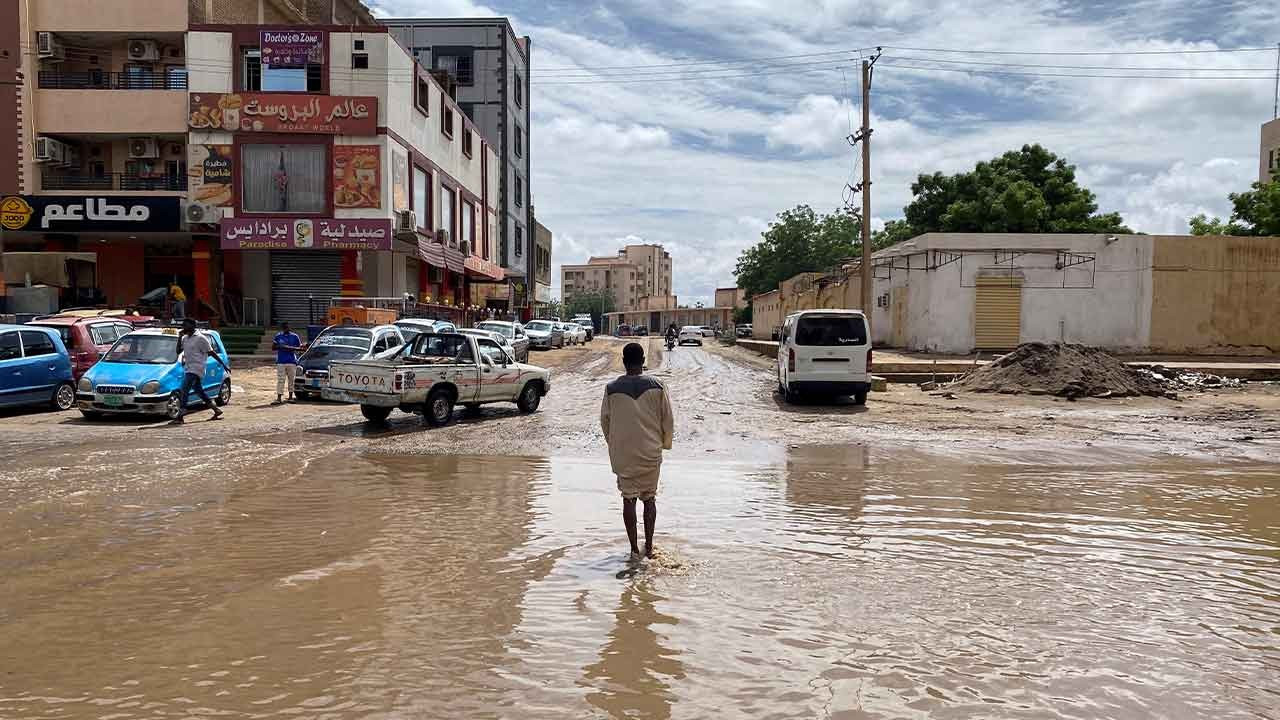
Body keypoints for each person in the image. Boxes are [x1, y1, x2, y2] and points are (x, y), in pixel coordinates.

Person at [600, 343, 674, 561]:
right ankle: (649, 548)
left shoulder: (611, 388)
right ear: (643, 361)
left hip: (624, 454)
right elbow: (668, 420)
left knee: (628, 500)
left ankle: (633, 550)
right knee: (650, 499)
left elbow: (605, 421)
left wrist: (615, 444)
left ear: (623, 362)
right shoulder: (658, 386)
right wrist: (664, 444)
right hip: (650, 453)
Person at [173, 318, 229, 423]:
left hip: (197, 368)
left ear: (192, 326)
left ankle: (181, 415)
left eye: (186, 325)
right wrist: (179, 337)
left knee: (184, 389)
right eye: (183, 325)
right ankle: (216, 410)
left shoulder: (201, 338)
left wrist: (223, 365)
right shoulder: (185, 338)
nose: (183, 327)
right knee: (199, 391)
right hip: (188, 367)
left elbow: (211, 352)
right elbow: (178, 351)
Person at [272, 321, 303, 405]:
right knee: (281, 380)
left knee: (291, 380)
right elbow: (273, 347)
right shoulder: (278, 336)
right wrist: (281, 346)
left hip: (292, 361)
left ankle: (290, 397)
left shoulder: (295, 336)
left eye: (287, 327)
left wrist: (288, 347)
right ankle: (279, 398)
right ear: (282, 328)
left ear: (289, 327)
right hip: (281, 361)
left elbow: (299, 348)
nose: (286, 328)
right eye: (284, 327)